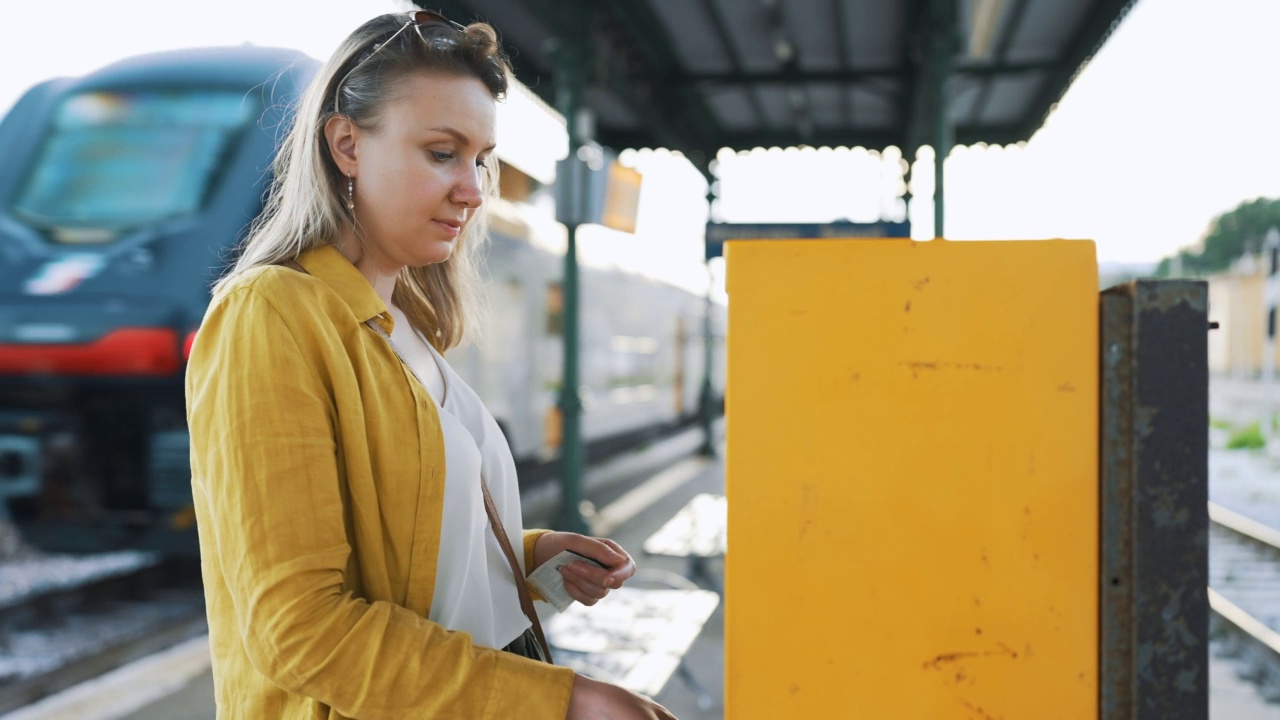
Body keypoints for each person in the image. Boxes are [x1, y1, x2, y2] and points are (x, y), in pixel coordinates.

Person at [186, 11, 678, 720]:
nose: (475, 189)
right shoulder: (271, 314)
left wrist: (527, 555)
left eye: (480, 158)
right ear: (347, 144)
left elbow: (401, 544)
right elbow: (300, 632)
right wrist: (567, 704)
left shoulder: (403, 330)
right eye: (443, 153)